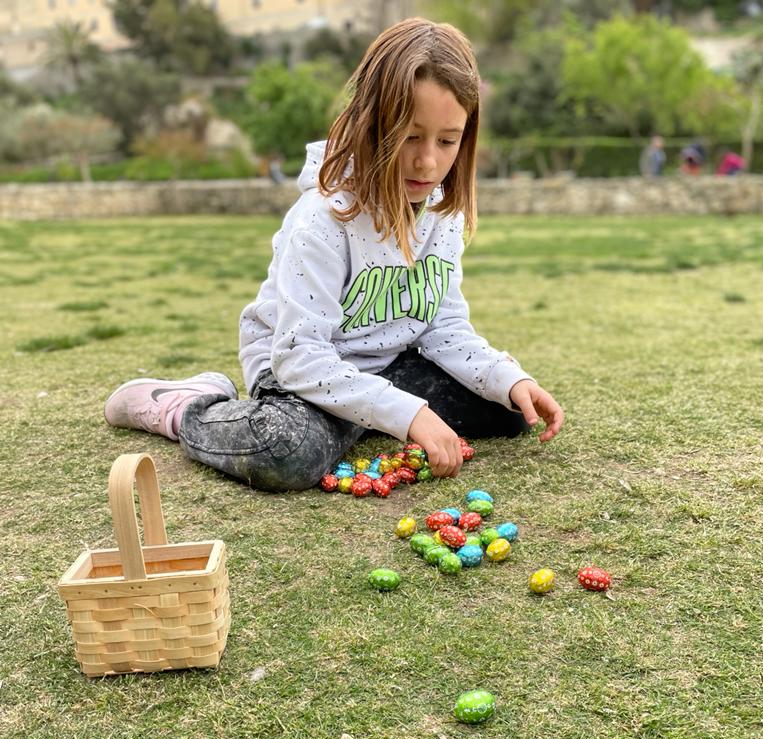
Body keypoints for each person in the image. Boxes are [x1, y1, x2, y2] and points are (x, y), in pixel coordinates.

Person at [104, 18, 564, 492]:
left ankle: (361, 420)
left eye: (446, 141)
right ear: (371, 125)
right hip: (300, 375)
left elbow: (443, 327)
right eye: (409, 136)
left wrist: (508, 379)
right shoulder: (322, 219)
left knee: (508, 413)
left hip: (386, 367)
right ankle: (189, 408)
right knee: (286, 453)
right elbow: (300, 356)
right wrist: (408, 414)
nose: (427, 161)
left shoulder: (441, 213)